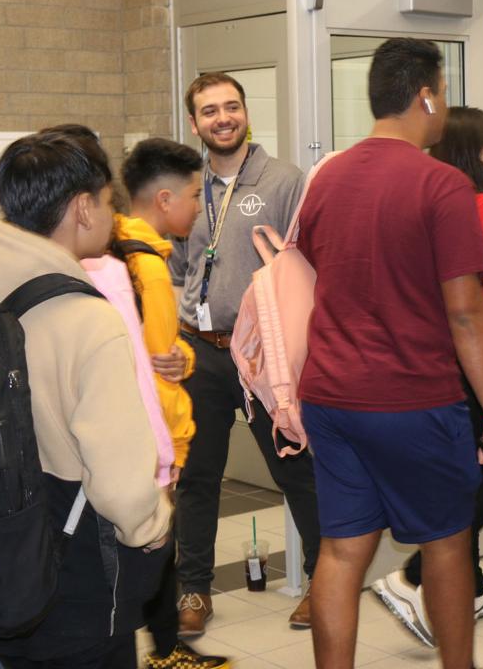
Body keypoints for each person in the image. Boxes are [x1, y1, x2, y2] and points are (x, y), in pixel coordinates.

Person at [296, 38, 483, 669]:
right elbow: (467, 311)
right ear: (426, 95)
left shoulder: (327, 178)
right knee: (448, 546)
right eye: (442, 91)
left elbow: (319, 273)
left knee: (341, 551)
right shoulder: (441, 185)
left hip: (331, 397)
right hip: (413, 400)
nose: (444, 104)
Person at [0, 129, 172, 668]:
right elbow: (121, 489)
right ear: (84, 208)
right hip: (75, 559)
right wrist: (153, 528)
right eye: (109, 202)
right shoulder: (88, 317)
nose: (111, 215)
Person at [371, 106, 483, 645]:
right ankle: (418, 575)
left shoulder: (431, 206)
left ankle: (467, 590)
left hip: (435, 360)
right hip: (480, 361)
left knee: (467, 473)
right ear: (474, 150)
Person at [170, 72, 320, 635]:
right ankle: (193, 591)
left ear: (245, 112)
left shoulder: (283, 180)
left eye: (231, 107)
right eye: (209, 111)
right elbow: (180, 265)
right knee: (197, 476)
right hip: (199, 350)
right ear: (194, 123)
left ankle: (322, 580)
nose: (222, 118)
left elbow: (305, 265)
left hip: (263, 352)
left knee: (296, 468)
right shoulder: (184, 183)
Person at [117, 136, 232, 669]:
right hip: (152, 441)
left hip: (142, 437)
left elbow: (161, 350)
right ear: (164, 200)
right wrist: (172, 453)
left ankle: (167, 648)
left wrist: (181, 354)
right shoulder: (150, 268)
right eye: (192, 194)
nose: (196, 206)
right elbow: (157, 367)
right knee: (148, 554)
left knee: (156, 555)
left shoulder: (117, 249)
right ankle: (162, 651)